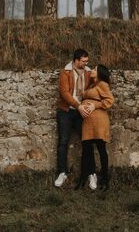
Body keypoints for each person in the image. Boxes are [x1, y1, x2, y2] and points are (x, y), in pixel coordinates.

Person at [54, 48, 93, 188]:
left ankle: (90, 174)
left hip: (82, 111)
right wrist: (78, 106)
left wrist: (87, 106)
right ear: (76, 60)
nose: (85, 63)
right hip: (66, 111)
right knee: (63, 141)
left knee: (87, 142)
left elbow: (96, 89)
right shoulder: (66, 72)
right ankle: (62, 172)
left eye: (86, 61)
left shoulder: (89, 72)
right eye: (83, 61)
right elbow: (64, 93)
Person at [76, 64, 114, 191]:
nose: (91, 70)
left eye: (94, 69)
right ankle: (82, 179)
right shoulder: (92, 84)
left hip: (99, 121)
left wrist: (94, 106)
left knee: (101, 149)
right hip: (88, 122)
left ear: (99, 73)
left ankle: (105, 181)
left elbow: (109, 100)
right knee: (86, 151)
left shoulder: (102, 84)